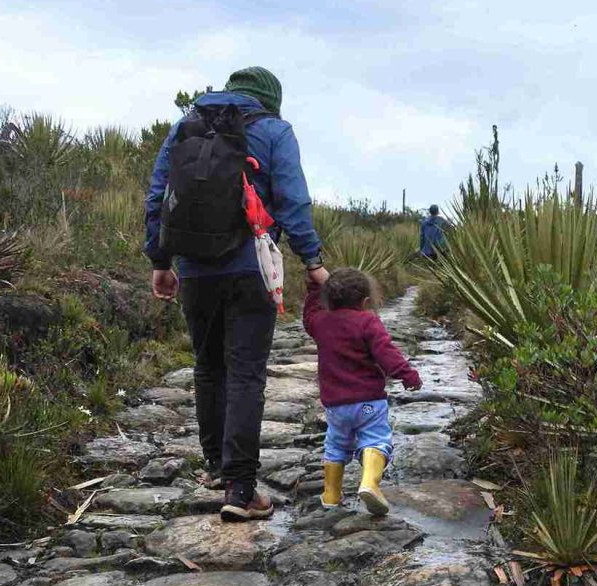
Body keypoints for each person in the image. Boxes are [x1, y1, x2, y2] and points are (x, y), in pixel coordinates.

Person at [145, 66, 330, 523]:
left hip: (194, 266)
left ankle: (215, 468)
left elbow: (158, 195)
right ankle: (240, 488)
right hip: (252, 265)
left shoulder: (185, 125)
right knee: (246, 373)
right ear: (270, 99)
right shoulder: (275, 131)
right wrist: (312, 261)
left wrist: (160, 261)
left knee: (208, 367)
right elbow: (293, 201)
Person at [303, 268, 422, 515]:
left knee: (335, 444)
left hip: (335, 406)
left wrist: (314, 288)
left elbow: (309, 315)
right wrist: (406, 374)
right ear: (366, 301)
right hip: (369, 402)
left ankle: (331, 494)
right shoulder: (368, 321)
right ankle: (369, 483)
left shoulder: (321, 322)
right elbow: (385, 352)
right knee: (376, 439)